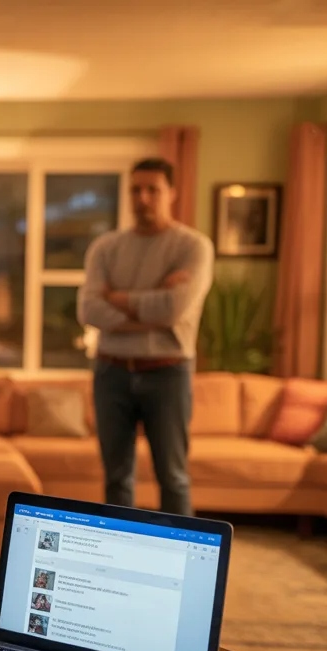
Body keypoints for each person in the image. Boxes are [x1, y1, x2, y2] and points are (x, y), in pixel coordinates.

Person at [78, 157, 214, 517]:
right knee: (116, 479)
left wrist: (117, 298)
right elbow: (89, 311)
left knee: (173, 477)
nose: (143, 198)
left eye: (153, 190)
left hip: (168, 372)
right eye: (136, 190)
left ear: (172, 193)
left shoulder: (193, 247)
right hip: (111, 372)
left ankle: (180, 551)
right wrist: (153, 308)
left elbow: (173, 310)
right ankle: (117, 551)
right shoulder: (105, 248)